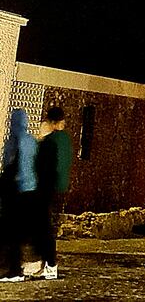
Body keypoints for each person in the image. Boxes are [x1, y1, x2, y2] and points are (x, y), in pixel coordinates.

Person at [28, 105, 72, 281]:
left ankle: (49, 264)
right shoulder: (66, 139)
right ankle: (46, 263)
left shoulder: (50, 141)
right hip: (59, 187)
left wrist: (40, 139)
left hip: (45, 188)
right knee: (47, 226)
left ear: (51, 122)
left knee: (43, 227)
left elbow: (39, 163)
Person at [0, 109, 38, 282]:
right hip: (29, 191)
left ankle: (14, 270)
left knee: (11, 233)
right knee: (16, 233)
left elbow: (11, 168)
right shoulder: (31, 141)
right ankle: (14, 267)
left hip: (15, 192)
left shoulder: (13, 142)